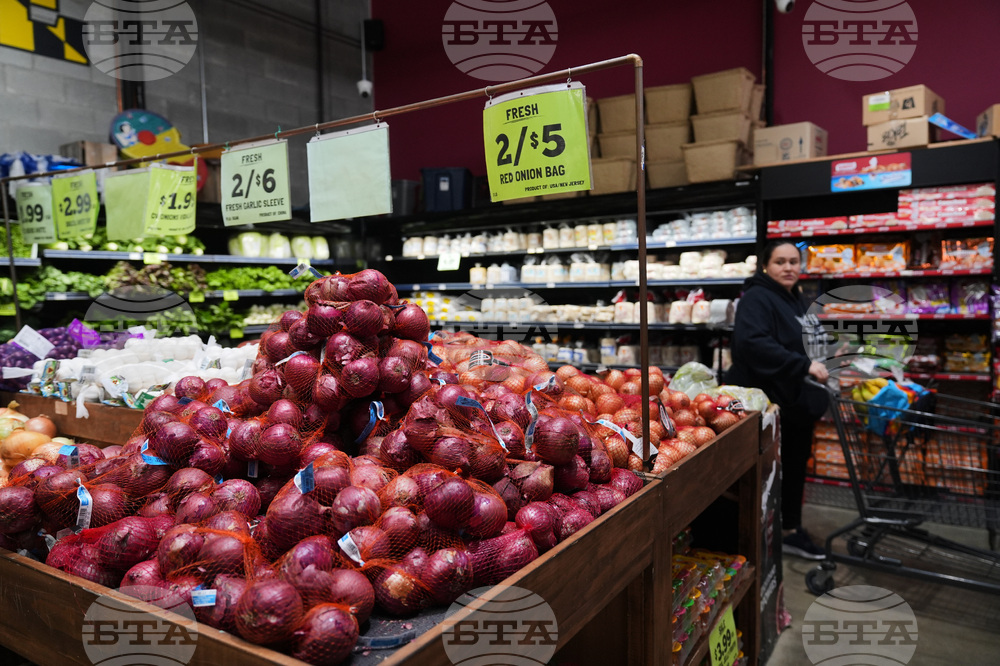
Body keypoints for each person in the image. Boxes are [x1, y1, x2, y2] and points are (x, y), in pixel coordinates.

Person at [725, 240, 830, 560]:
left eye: (794, 262)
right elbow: (752, 344)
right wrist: (804, 364)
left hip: (793, 400)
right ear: (766, 267)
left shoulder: (795, 298)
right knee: (771, 470)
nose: (788, 268)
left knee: (794, 465)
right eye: (780, 262)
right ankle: (772, 532)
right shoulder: (757, 298)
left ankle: (787, 528)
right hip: (765, 403)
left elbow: (800, 339)